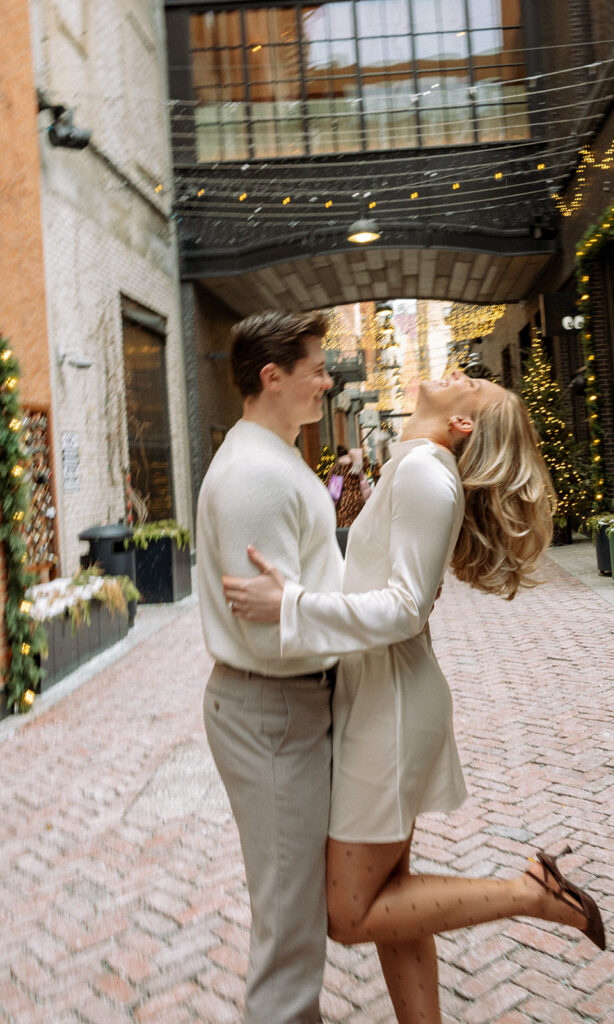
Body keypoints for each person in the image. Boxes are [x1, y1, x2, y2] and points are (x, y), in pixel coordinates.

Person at [222, 370, 606, 1023]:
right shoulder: (413, 464)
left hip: (389, 707)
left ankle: (533, 893)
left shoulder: (428, 472)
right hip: (380, 696)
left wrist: (291, 605)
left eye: (472, 385)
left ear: (462, 425)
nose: (459, 374)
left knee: (347, 912)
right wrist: (308, 582)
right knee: (393, 894)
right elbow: (386, 584)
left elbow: (402, 609)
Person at [196, 309, 341, 1024]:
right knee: (288, 921)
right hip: (273, 705)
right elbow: (269, 635)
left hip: (286, 707)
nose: (327, 380)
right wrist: (370, 615)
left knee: (296, 905)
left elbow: (290, 603)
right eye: (315, 367)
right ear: (271, 375)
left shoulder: (275, 456)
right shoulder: (254, 473)